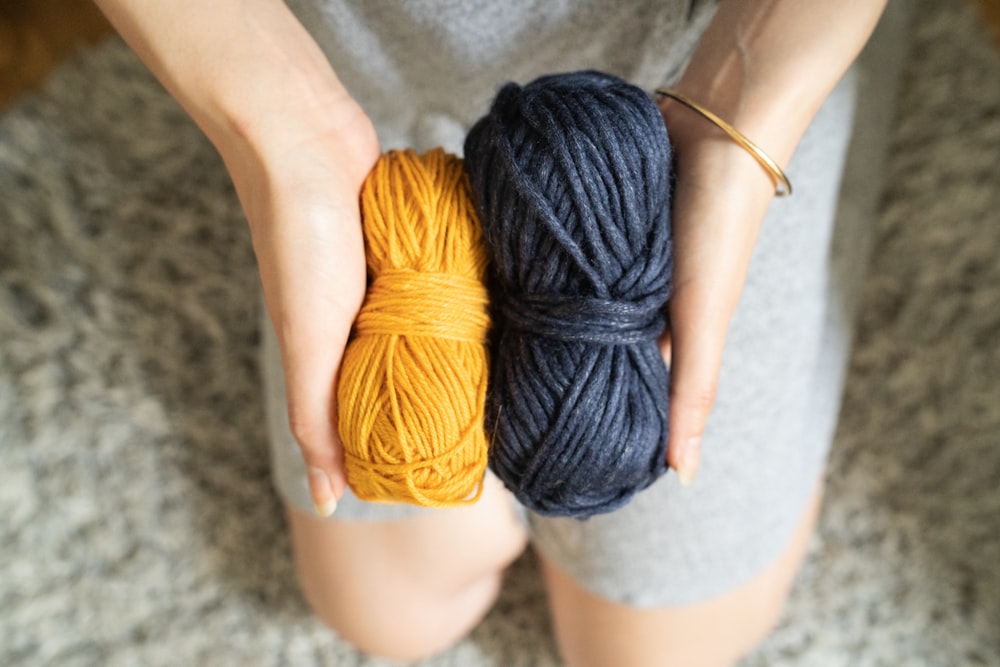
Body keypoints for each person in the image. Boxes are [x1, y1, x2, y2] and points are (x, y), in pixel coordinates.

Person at [93, 1, 888, 664]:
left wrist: (747, 93)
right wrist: (272, 121)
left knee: (652, 653)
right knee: (386, 610)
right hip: (336, 79)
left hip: (703, 94)